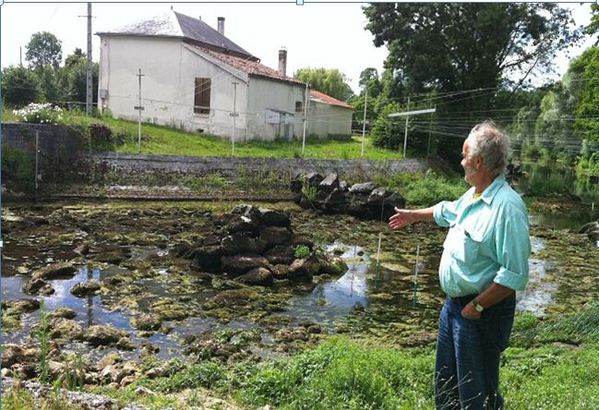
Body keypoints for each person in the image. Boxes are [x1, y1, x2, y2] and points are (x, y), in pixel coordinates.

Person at [389, 121, 530, 410]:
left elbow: (515, 273)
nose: (461, 161)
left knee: (477, 393)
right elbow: (446, 211)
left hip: (481, 313)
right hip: (453, 307)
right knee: (446, 385)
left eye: (465, 155)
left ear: (478, 162)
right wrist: (413, 215)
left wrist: (476, 307)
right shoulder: (475, 194)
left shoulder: (507, 207)